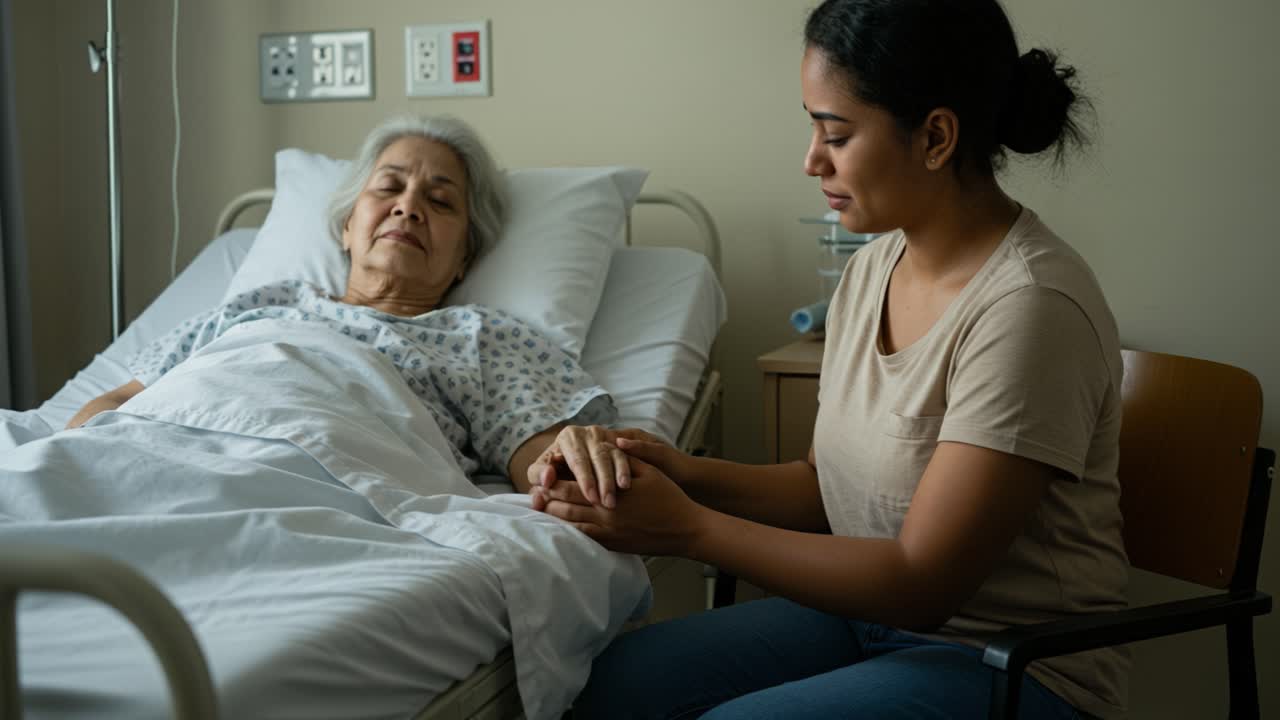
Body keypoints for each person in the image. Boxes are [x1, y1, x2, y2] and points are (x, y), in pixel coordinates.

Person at [530, 1, 1129, 717]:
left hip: (1012, 667)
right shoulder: (873, 269)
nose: (811, 159)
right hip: (870, 623)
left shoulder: (1030, 307)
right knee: (604, 687)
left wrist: (687, 528)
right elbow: (824, 489)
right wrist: (674, 470)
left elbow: (922, 584)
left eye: (835, 133)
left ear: (936, 136)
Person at [66, 114, 615, 487]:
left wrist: (573, 460)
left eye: (440, 200)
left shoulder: (480, 337)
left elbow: (545, 463)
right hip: (161, 455)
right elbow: (118, 403)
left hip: (322, 483)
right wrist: (77, 460)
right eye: (388, 187)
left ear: (465, 258)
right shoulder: (263, 304)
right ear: (348, 227)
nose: (408, 207)